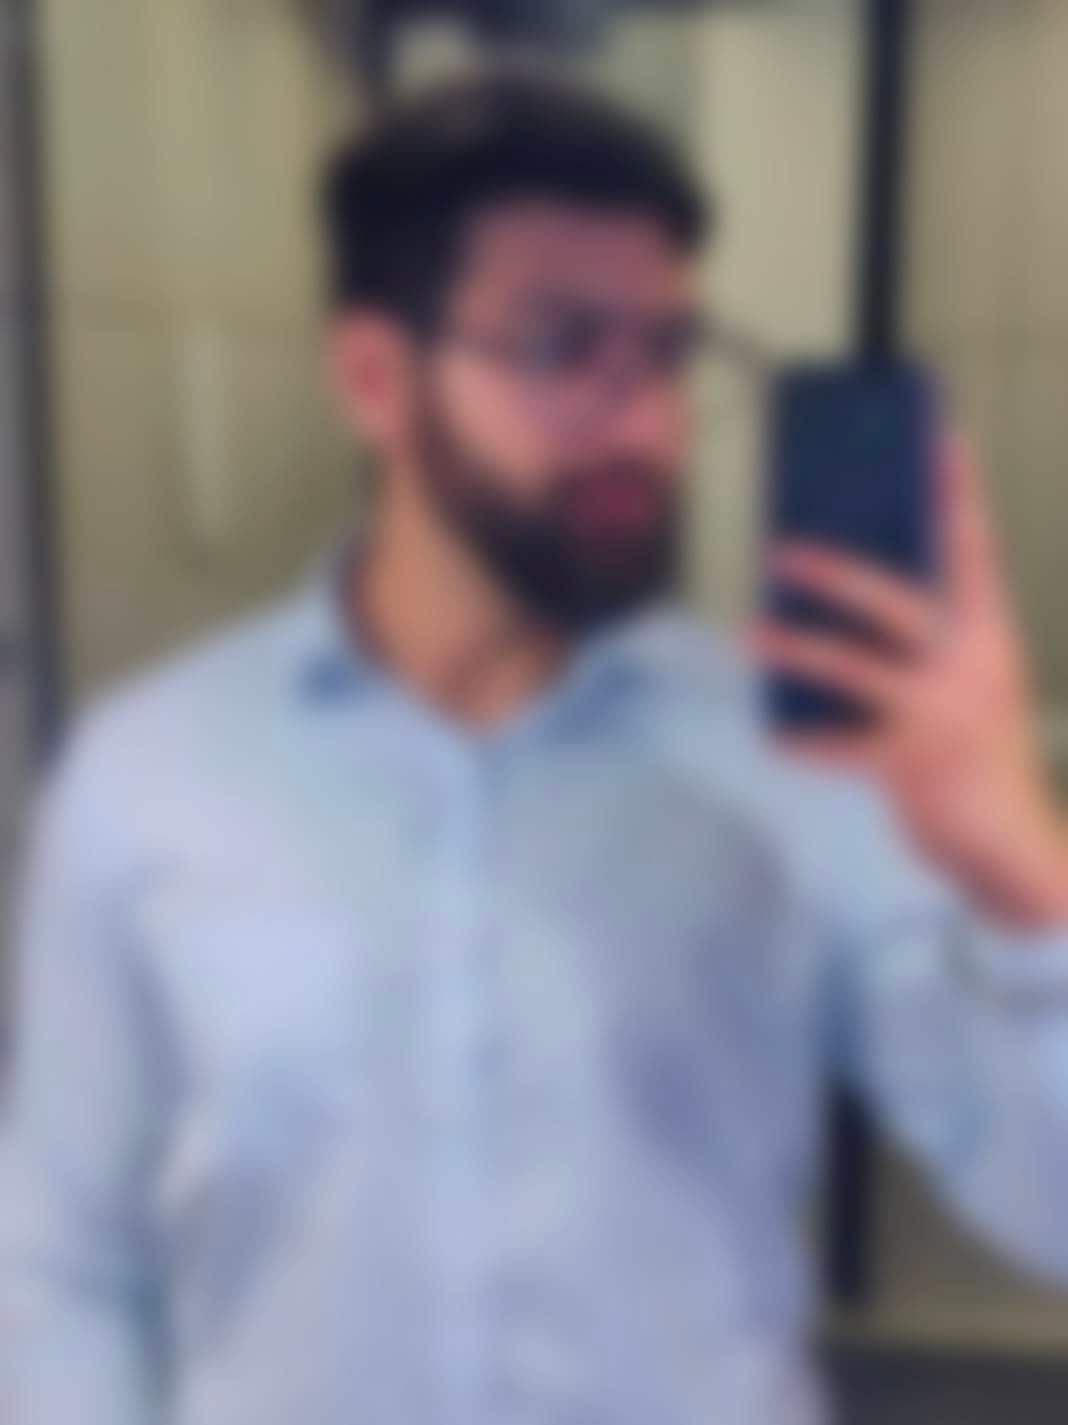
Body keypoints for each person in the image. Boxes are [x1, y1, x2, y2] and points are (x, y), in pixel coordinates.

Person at [2, 71, 1068, 1425]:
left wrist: (1022, 873)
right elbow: (63, 1261)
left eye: (668, 352)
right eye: (563, 345)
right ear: (375, 377)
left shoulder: (801, 767)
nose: (646, 424)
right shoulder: (149, 779)